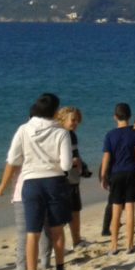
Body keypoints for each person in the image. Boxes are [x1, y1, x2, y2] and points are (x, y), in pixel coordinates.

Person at [0, 93, 72, 270]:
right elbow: (66, 164)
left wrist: (3, 185)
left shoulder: (23, 129)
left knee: (32, 232)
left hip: (31, 183)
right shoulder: (61, 132)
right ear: (55, 111)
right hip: (54, 181)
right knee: (57, 229)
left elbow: (12, 159)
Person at [100, 103, 135, 254]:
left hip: (116, 174)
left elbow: (106, 158)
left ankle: (114, 246)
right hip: (131, 173)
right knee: (130, 210)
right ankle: (129, 245)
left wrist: (103, 176)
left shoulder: (110, 135)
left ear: (115, 117)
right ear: (129, 117)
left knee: (116, 211)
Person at [55, 106, 87, 247]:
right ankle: (74, 241)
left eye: (77, 120)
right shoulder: (63, 135)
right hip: (65, 178)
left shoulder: (70, 134)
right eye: (73, 120)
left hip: (73, 177)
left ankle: (76, 239)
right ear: (63, 119)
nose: (76, 123)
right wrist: (76, 162)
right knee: (69, 211)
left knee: (75, 209)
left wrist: (82, 165)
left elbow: (75, 154)